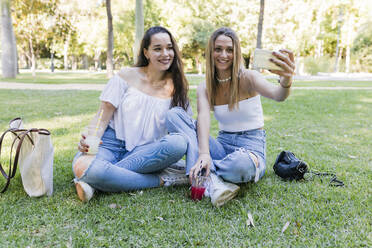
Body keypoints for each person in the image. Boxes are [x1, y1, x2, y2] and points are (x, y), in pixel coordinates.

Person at [166, 27, 295, 207]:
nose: (223, 55)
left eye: (229, 50)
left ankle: (199, 173)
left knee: (240, 166)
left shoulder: (248, 78)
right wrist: (204, 153)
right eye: (218, 49)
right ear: (211, 52)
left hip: (250, 149)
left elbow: (278, 95)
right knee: (174, 116)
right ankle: (207, 172)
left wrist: (286, 80)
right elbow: (203, 118)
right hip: (222, 145)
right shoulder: (205, 87)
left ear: (237, 52)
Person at [72, 26, 191, 202]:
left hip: (144, 153)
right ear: (146, 52)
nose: (165, 53)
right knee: (83, 165)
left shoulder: (178, 88)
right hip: (109, 144)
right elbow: (102, 116)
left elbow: (185, 131)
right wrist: (90, 139)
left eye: (169, 47)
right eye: (157, 49)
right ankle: (163, 179)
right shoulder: (126, 76)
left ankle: (96, 180)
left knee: (179, 143)